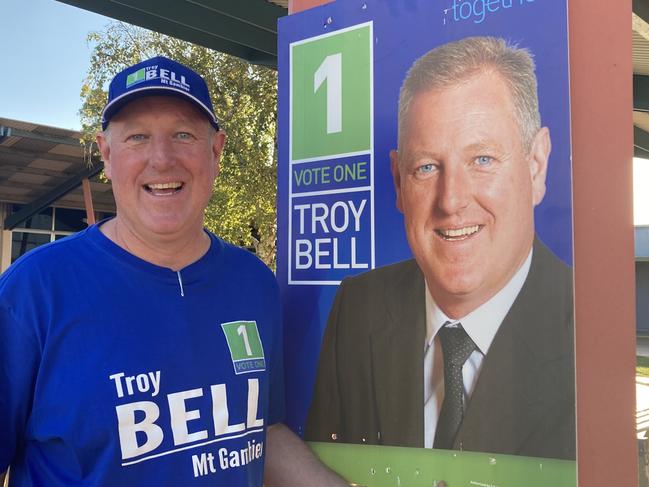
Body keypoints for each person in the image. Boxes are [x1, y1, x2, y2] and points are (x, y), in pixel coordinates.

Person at [0, 56, 345, 486]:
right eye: (138, 137)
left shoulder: (253, 283)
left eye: (182, 135)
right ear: (106, 156)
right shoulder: (34, 291)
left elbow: (261, 433)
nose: (161, 160)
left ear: (215, 151)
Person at [306, 37, 575, 460]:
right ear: (398, 181)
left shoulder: (589, 328)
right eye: (427, 167)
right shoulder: (358, 309)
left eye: (482, 159)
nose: (451, 201)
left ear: (536, 165)